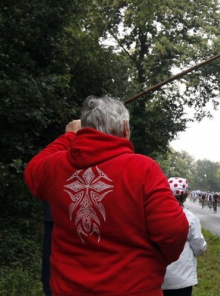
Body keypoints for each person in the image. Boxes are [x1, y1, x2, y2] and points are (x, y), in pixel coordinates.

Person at [24, 95, 188, 295]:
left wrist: (69, 136)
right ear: (126, 129)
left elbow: (32, 170)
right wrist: (157, 260)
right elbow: (174, 231)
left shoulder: (55, 166)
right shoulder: (143, 169)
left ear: (83, 131)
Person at [162, 177, 207, 296]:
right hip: (182, 277)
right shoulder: (190, 218)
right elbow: (198, 245)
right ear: (185, 195)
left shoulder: (156, 215)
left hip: (158, 276)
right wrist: (202, 249)